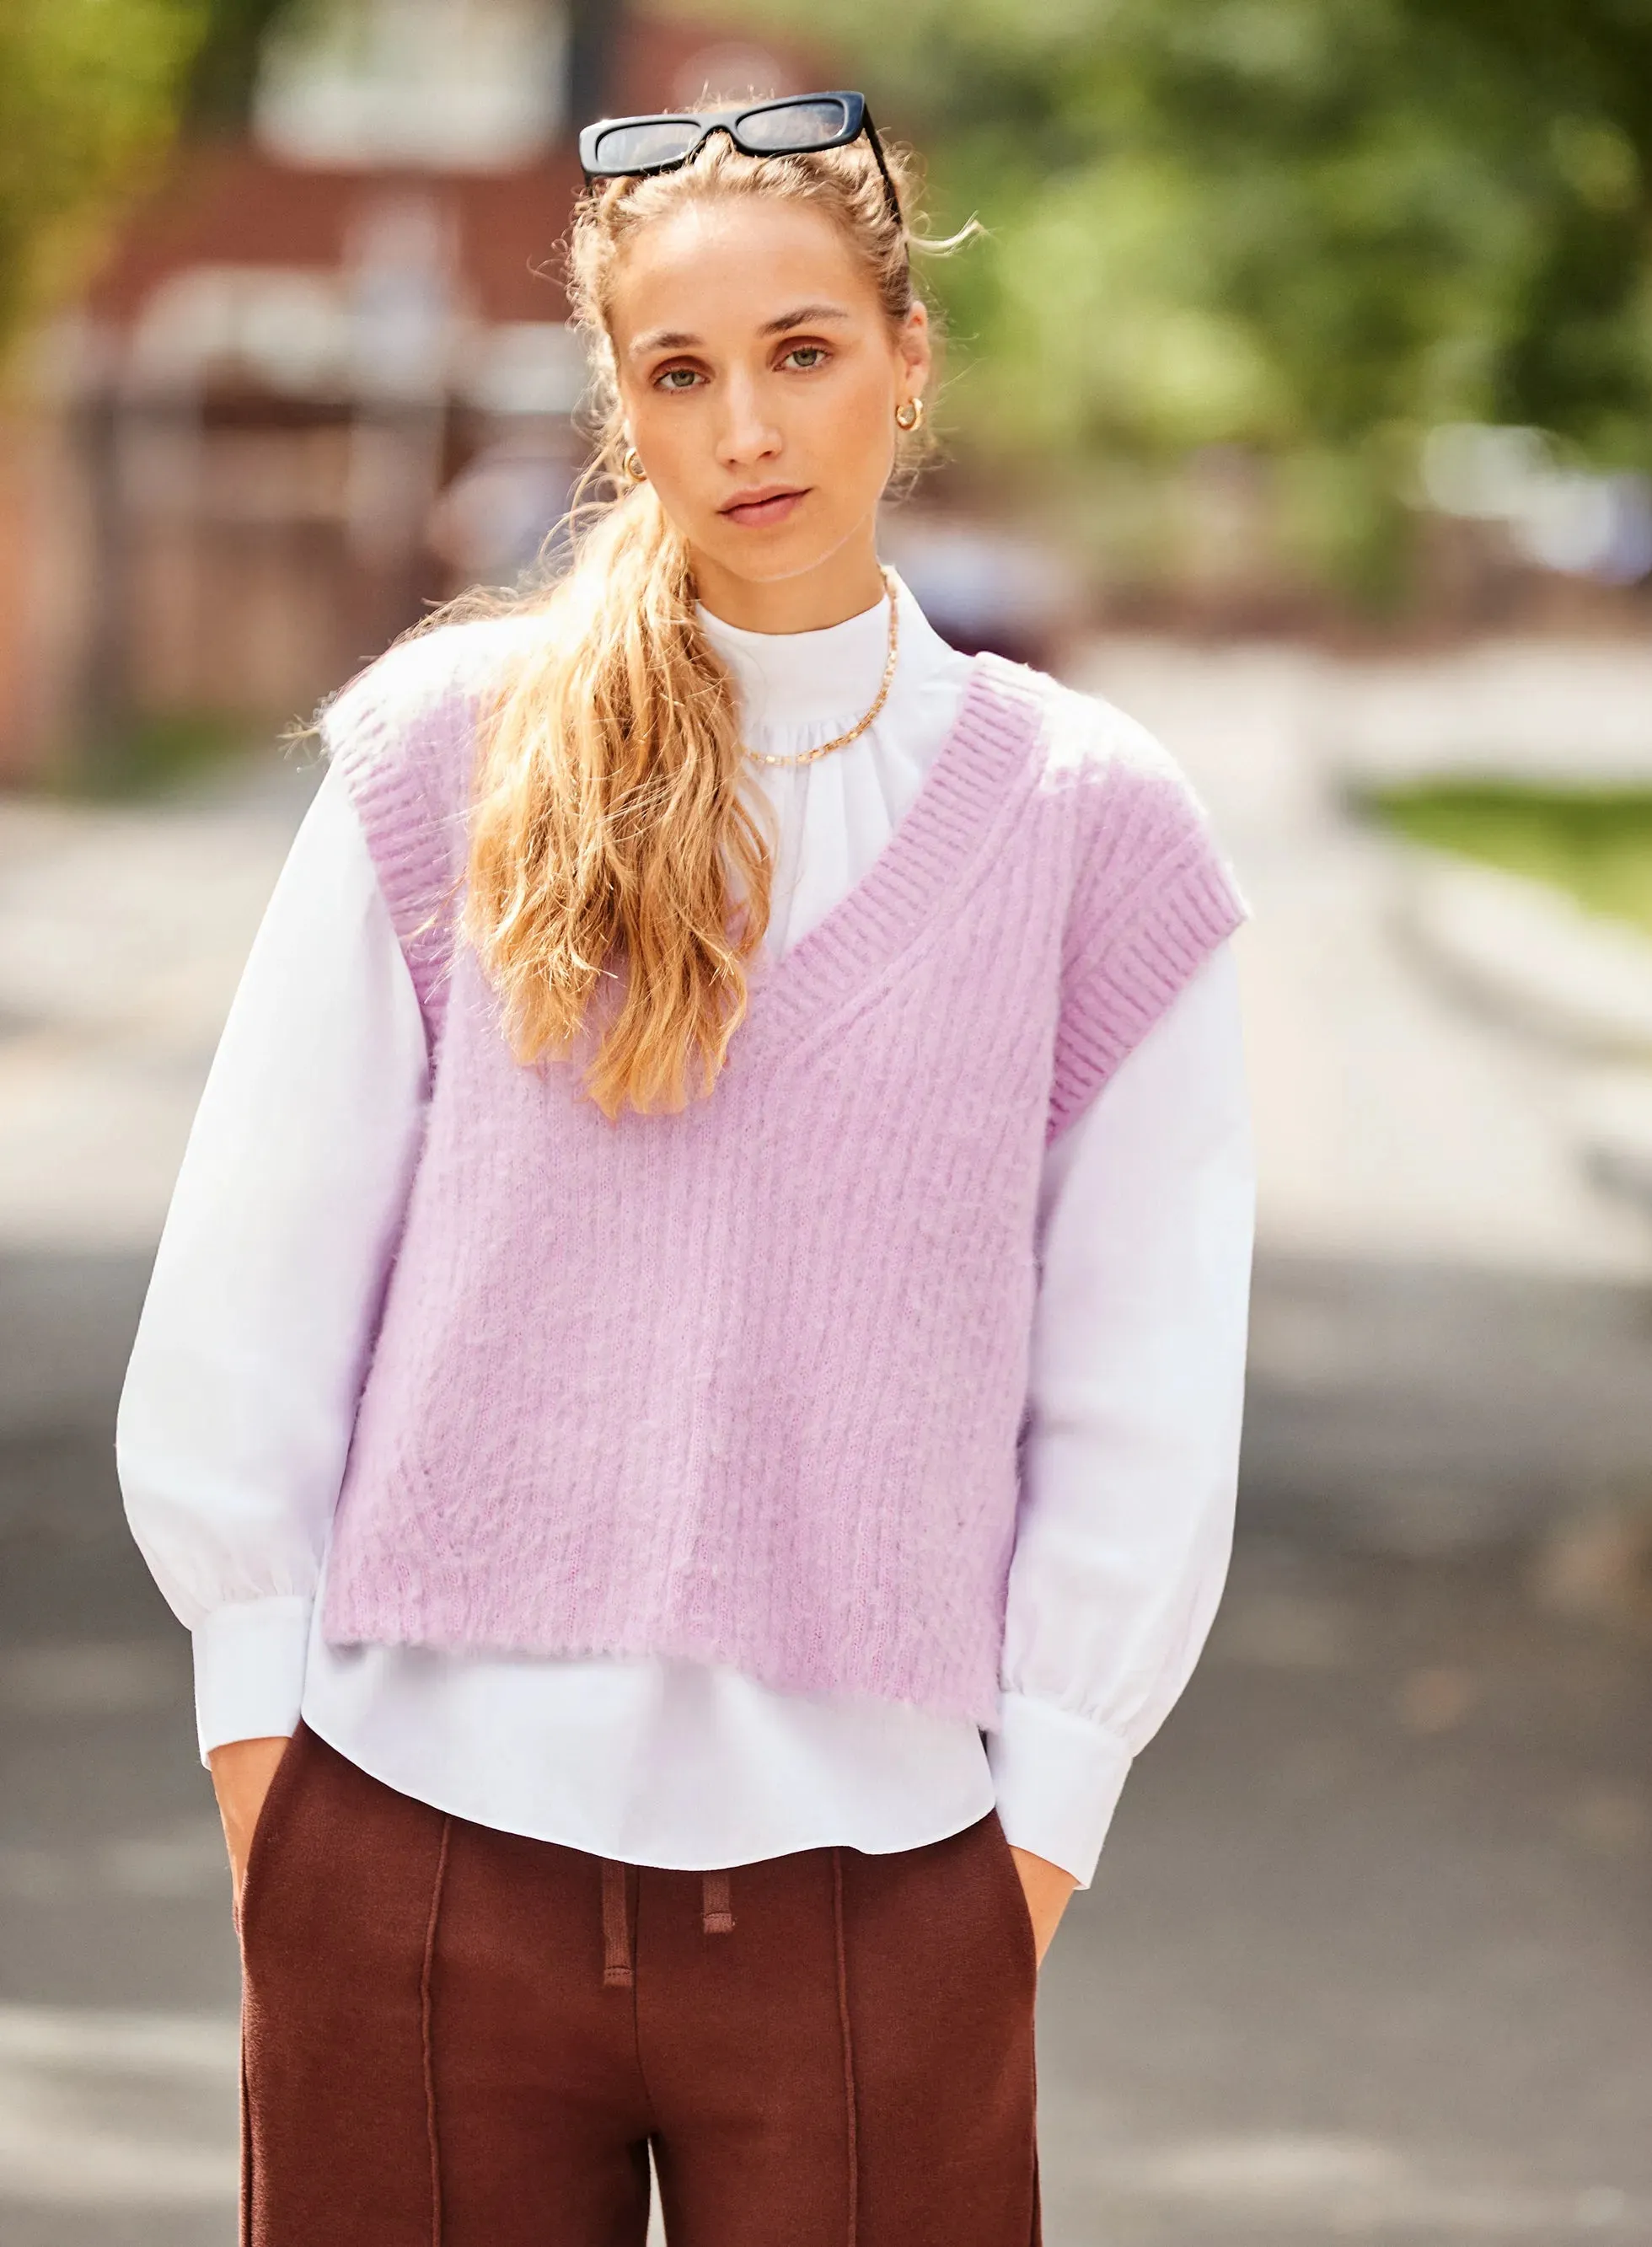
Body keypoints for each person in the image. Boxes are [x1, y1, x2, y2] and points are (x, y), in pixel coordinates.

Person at [115, 89, 1253, 2247]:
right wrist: (275, 1788)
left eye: (804, 350)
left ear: (909, 360)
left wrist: (1024, 1853)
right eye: (681, 371)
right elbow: (254, 1296)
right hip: (414, 1859)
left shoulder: (1093, 824)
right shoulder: (449, 757)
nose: (749, 424)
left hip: (880, 1893)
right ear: (623, 406)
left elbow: (1140, 1390)